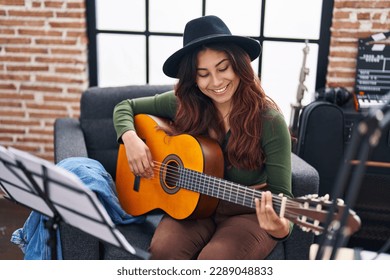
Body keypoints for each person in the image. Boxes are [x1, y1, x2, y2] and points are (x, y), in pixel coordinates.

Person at [113, 15, 293, 260]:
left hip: (246, 213)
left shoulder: (269, 121)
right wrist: (130, 139)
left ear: (239, 65)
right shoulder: (182, 104)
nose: (216, 81)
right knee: (163, 252)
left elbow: (285, 196)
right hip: (193, 206)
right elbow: (125, 106)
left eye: (223, 68)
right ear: (193, 78)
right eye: (203, 74)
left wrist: (280, 226)